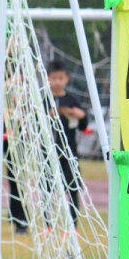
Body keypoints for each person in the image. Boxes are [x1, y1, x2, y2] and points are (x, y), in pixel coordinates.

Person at [48, 60, 85, 223]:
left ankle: (73, 223)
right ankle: (48, 224)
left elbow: (83, 126)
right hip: (48, 152)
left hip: (69, 151)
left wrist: (81, 116)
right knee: (48, 188)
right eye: (53, 78)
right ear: (47, 78)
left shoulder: (72, 101)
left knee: (72, 187)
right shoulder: (44, 100)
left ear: (67, 79)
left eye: (60, 78)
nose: (57, 82)